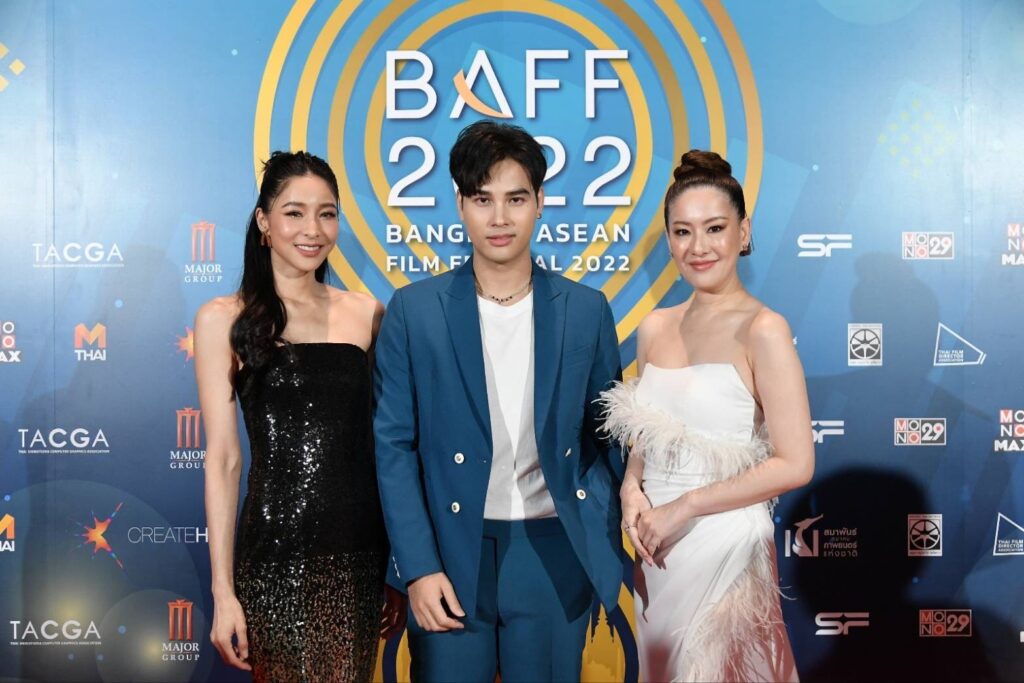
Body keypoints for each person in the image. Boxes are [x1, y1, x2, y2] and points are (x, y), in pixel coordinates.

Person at [373, 120, 624, 682]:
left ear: (540, 202)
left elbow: (608, 438)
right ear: (460, 204)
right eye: (483, 200)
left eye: (516, 198)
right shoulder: (415, 310)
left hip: (553, 552)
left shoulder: (585, 309)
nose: (500, 218)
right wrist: (417, 567)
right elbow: (393, 446)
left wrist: (597, 530)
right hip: (448, 555)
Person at [601, 150, 813, 682]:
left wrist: (687, 506)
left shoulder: (764, 329)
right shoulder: (655, 327)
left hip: (725, 545)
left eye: (714, 228)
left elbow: (795, 463)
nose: (698, 247)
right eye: (683, 232)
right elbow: (646, 430)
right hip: (656, 550)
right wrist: (631, 487)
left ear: (744, 232)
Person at [195, 151, 405, 682]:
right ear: (264, 222)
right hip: (275, 554)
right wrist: (223, 590)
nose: (313, 229)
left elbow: (387, 448)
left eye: (326, 213)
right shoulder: (223, 319)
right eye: (294, 212)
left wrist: (400, 567)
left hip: (359, 552)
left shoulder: (368, 313)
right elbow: (223, 460)